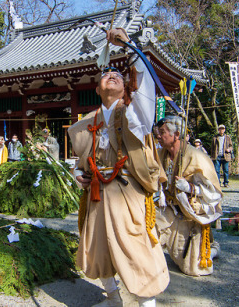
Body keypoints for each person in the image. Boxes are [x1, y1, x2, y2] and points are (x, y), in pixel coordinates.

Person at [68, 28, 169, 307]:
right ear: (98, 88)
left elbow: (143, 82)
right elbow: (82, 161)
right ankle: (113, 299)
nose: (112, 75)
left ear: (126, 87)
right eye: (105, 75)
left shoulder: (136, 112)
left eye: (118, 75)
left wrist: (129, 45)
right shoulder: (89, 121)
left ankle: (147, 303)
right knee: (96, 247)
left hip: (127, 191)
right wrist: (78, 174)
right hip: (98, 194)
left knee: (135, 247)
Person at [155, 116, 222, 277]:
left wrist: (191, 188)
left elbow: (213, 193)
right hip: (167, 209)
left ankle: (211, 250)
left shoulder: (197, 157)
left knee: (192, 268)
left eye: (162, 132)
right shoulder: (160, 153)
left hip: (188, 215)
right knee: (146, 222)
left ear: (176, 134)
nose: (158, 136)